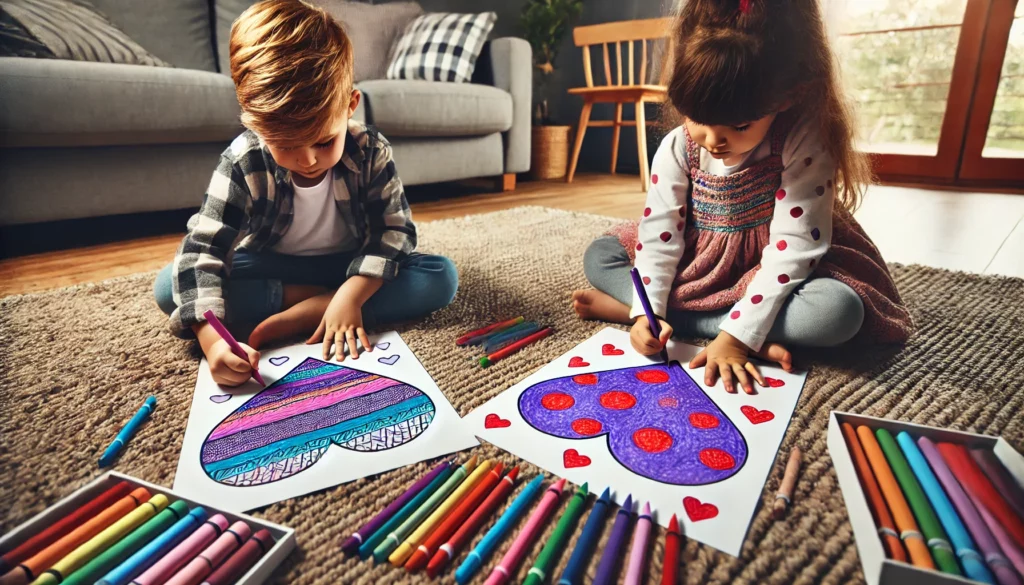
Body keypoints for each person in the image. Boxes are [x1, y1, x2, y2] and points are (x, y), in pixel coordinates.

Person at [573, 0, 912, 394]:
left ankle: (677, 317)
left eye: (739, 125)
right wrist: (647, 309)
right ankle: (662, 311)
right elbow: (660, 235)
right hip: (700, 260)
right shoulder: (678, 146)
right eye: (697, 117)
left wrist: (736, 338)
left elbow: (796, 249)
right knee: (600, 255)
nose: (714, 141)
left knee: (838, 313)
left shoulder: (802, 138)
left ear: (787, 97)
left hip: (778, 266)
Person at [155, 0, 457, 386]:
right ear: (256, 123)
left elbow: (393, 234)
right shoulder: (243, 160)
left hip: (352, 266)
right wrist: (213, 342)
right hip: (275, 266)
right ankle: (306, 297)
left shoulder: (370, 150)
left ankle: (323, 305)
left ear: (350, 105)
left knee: (440, 277)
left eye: (323, 140)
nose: (308, 160)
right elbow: (203, 250)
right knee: (170, 287)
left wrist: (350, 295)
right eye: (286, 145)